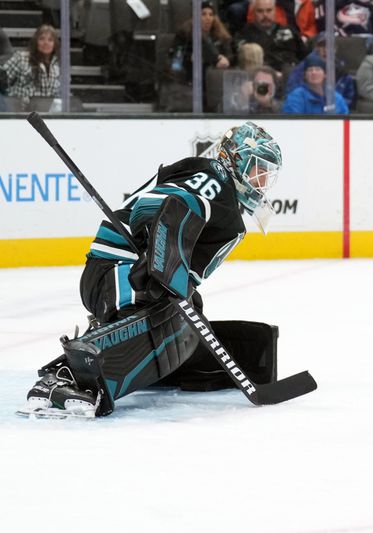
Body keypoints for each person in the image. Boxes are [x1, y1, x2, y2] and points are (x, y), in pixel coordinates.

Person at [18, 122, 285, 418]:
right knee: (170, 317)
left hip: (130, 273)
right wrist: (163, 262)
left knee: (185, 314)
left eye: (266, 174)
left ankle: (132, 356)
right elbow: (155, 206)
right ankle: (68, 377)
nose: (260, 180)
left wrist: (171, 274)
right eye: (256, 168)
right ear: (234, 157)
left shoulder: (226, 203)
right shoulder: (214, 178)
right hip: (115, 272)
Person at [286, 33, 356, 109]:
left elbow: (349, 96)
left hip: (335, 113)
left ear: (335, 49)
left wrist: (335, 107)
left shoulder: (342, 71)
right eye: (322, 46)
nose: (326, 50)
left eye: (330, 46)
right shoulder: (302, 68)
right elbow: (292, 93)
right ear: (316, 48)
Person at [170, 1, 234, 81]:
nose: (208, 18)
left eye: (211, 15)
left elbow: (230, 55)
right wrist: (189, 58)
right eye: (203, 14)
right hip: (192, 76)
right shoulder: (184, 34)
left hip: (218, 76)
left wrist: (226, 59)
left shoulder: (221, 35)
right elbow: (177, 60)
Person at [238, 0, 305, 73]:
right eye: (260, 11)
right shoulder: (245, 34)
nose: (265, 15)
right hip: (262, 76)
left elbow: (304, 55)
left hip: (293, 74)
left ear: (275, 10)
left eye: (269, 10)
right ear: (253, 12)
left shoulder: (289, 30)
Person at [0, 24, 59, 104]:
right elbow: (2, 79)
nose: (46, 43)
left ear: (54, 44)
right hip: (19, 113)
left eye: (50, 40)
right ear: (35, 41)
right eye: (41, 39)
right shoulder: (21, 58)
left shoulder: (58, 67)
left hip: (45, 114)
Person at [282, 55, 349, 114]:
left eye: (318, 69)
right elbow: (292, 122)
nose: (314, 73)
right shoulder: (296, 96)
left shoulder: (336, 98)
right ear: (305, 75)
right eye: (310, 70)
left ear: (325, 75)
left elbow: (345, 119)